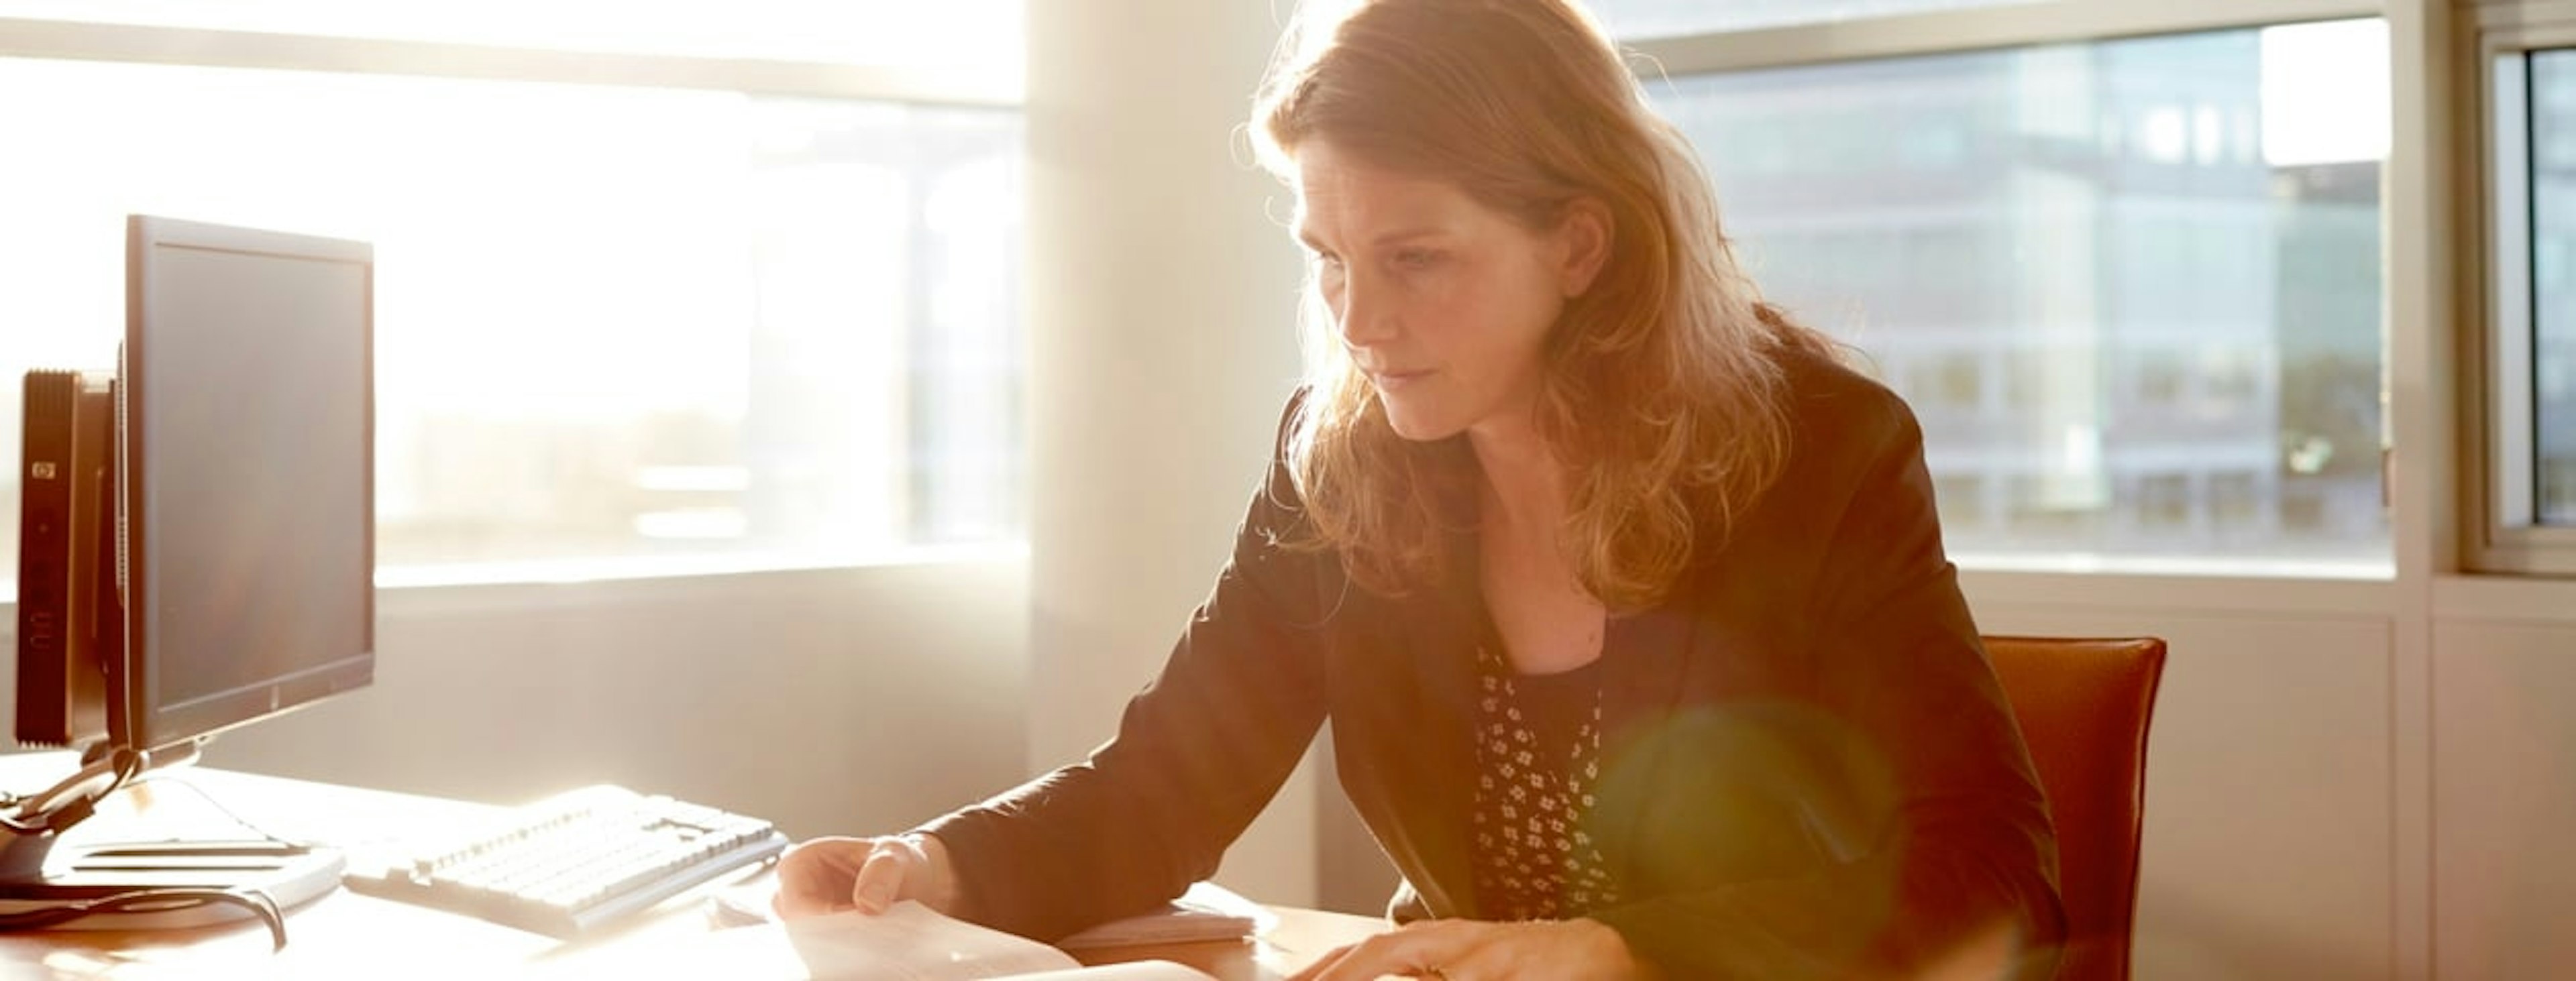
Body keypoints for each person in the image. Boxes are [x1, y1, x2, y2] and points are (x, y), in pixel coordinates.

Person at [773, 0, 2067, 976]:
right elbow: (1167, 779)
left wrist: (1620, 950)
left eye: (1416, 259)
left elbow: (1992, 871)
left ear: (1578, 243)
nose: (1359, 322)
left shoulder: (1820, 455)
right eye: (1328, 258)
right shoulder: (1341, 461)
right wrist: (940, 862)